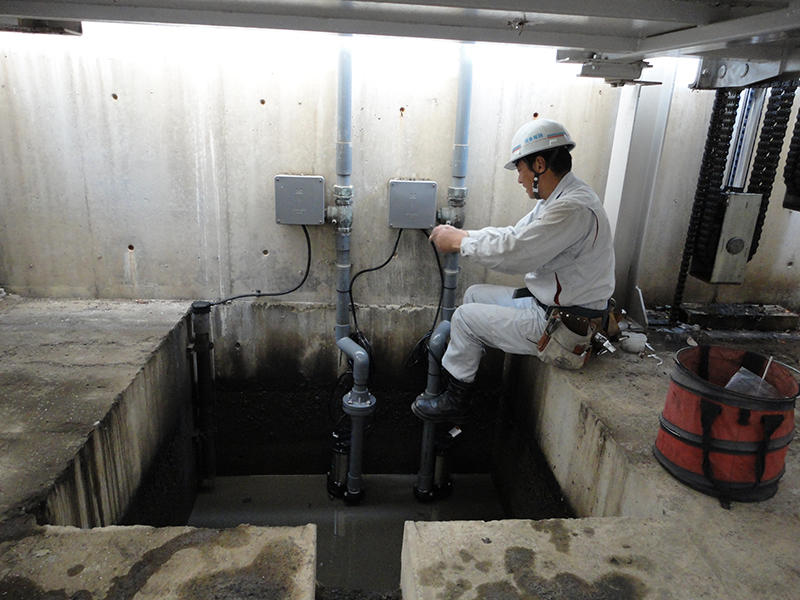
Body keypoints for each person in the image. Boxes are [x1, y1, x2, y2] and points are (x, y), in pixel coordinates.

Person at [411, 117, 615, 422]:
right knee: (474, 294)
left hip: (567, 326)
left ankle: (456, 401)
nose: (519, 179)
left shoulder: (570, 209)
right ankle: (467, 376)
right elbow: (513, 236)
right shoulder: (556, 200)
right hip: (551, 307)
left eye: (520, 170)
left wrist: (460, 244)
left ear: (540, 165)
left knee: (466, 318)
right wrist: (464, 237)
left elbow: (517, 254)